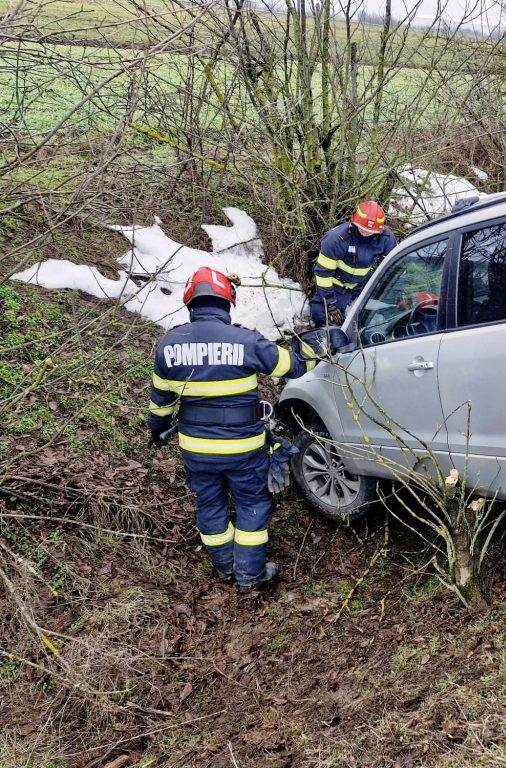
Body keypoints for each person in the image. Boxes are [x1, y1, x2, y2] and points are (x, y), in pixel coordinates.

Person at [147, 267, 316, 592]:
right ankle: (250, 575)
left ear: (190, 302)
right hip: (244, 447)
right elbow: (291, 366)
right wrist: (316, 346)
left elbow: (161, 404)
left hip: (197, 449)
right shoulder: (245, 340)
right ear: (228, 301)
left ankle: (225, 566)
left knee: (210, 504)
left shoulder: (169, 345)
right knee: (252, 503)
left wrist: (156, 429)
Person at [311, 200, 398, 326]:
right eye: (363, 228)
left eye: (371, 231)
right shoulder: (337, 239)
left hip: (363, 285)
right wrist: (330, 302)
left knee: (388, 312)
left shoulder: (386, 239)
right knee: (321, 315)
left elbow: (395, 267)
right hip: (336, 288)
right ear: (354, 222)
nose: (366, 233)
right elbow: (322, 273)